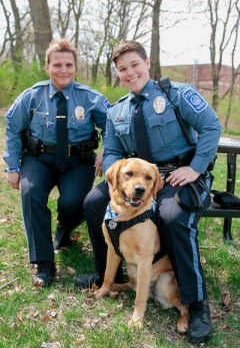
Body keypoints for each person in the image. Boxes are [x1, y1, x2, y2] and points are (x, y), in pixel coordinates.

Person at [74, 40, 222, 343]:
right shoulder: (117, 111)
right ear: (118, 74)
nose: (130, 73)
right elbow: (113, 150)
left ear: (147, 63)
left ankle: (195, 305)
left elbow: (211, 126)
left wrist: (195, 167)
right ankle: (110, 277)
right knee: (93, 202)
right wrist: (117, 178)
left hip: (181, 175)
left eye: (134, 65)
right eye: (122, 69)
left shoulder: (176, 94)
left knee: (173, 218)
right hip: (137, 179)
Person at [3, 38, 109, 288]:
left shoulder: (90, 98)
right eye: (58, 64)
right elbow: (12, 128)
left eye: (69, 65)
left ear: (75, 67)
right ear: (47, 66)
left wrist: (107, 147)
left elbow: (114, 124)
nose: (64, 70)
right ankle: (44, 262)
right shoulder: (32, 96)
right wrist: (12, 167)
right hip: (38, 158)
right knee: (32, 194)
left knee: (74, 203)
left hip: (78, 161)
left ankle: (63, 231)